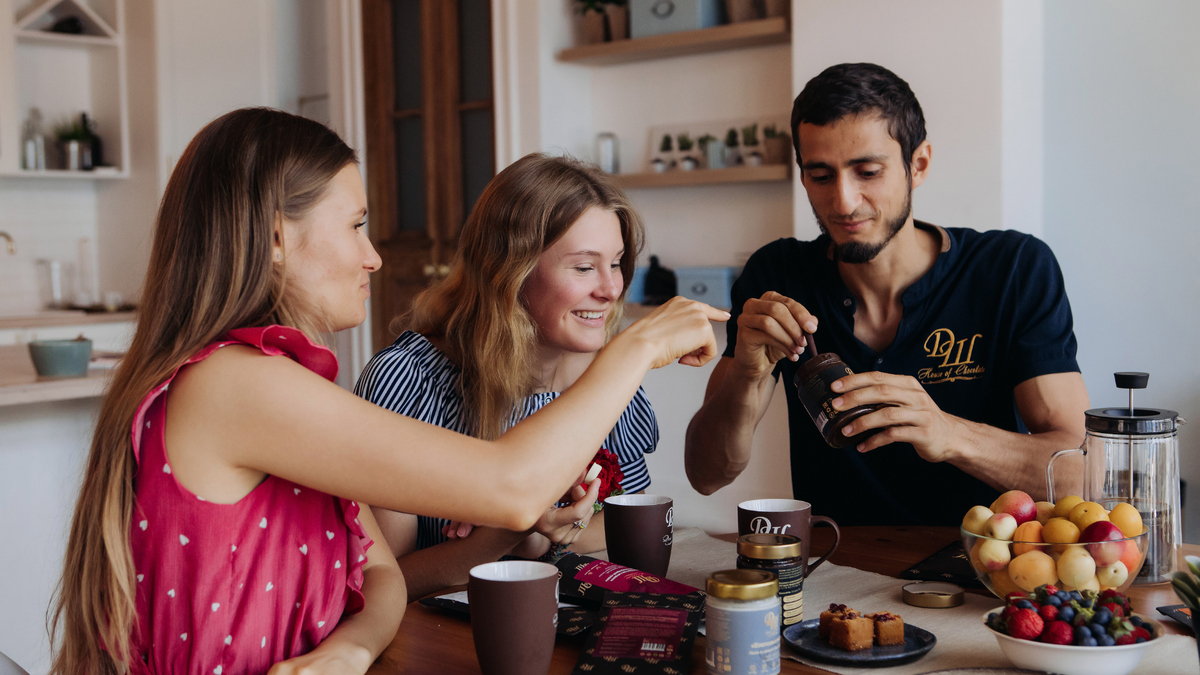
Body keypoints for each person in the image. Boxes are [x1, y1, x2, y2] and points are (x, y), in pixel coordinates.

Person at [48, 108, 725, 675]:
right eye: (355, 225)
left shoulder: (290, 386)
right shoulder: (231, 383)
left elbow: (383, 577)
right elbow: (510, 483)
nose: (374, 255)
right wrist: (637, 344)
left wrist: (351, 646)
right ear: (276, 238)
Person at [684, 63, 1089, 525]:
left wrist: (948, 432)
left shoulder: (1012, 268)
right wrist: (745, 378)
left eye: (868, 172)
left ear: (918, 165)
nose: (844, 201)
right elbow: (706, 474)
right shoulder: (778, 276)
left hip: (983, 575)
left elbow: (1080, 473)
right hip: (837, 576)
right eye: (821, 176)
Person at [355, 154, 658, 598]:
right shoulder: (409, 380)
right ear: (510, 272)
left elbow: (629, 520)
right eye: (583, 266)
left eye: (615, 263)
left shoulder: (611, 378)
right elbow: (387, 581)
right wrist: (513, 529)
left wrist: (538, 538)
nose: (611, 289)